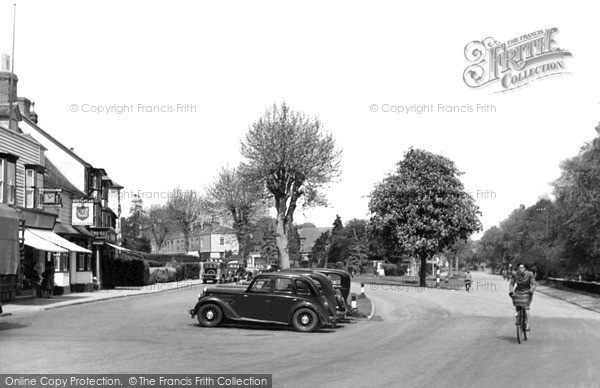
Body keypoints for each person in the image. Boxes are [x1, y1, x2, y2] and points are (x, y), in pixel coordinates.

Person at [509, 263, 537, 331]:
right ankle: (518, 318)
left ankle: (527, 325)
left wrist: (531, 290)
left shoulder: (530, 274)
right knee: (517, 304)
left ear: (525, 269)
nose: (520, 269)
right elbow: (511, 284)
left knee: (526, 307)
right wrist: (511, 291)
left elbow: (534, 284)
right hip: (518, 291)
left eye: (522, 268)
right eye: (519, 268)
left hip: (527, 292)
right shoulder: (515, 274)